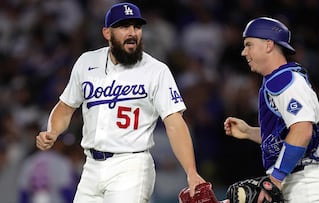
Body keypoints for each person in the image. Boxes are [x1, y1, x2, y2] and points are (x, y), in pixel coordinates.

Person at [35, 2, 205, 202]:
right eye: (124, 26)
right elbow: (66, 106)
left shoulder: (156, 70)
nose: (132, 32)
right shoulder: (86, 62)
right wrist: (52, 132)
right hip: (91, 166)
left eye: (137, 27)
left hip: (132, 165)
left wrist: (191, 171)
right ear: (107, 33)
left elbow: (174, 122)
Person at [223, 17, 319, 202]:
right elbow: (289, 134)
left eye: (249, 44)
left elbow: (302, 130)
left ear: (268, 45)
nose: (244, 52)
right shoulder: (277, 79)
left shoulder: (284, 79)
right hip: (293, 180)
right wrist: (250, 132)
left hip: (305, 182)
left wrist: (274, 180)